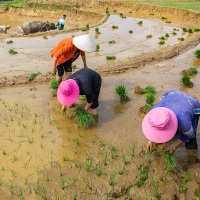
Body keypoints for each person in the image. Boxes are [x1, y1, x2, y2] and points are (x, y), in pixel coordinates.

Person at [142, 90, 200, 155]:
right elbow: (154, 126)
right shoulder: (154, 112)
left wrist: (174, 147)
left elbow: (188, 135)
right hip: (171, 94)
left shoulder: (183, 122)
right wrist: (151, 140)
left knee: (191, 138)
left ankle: (192, 149)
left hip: (191, 103)